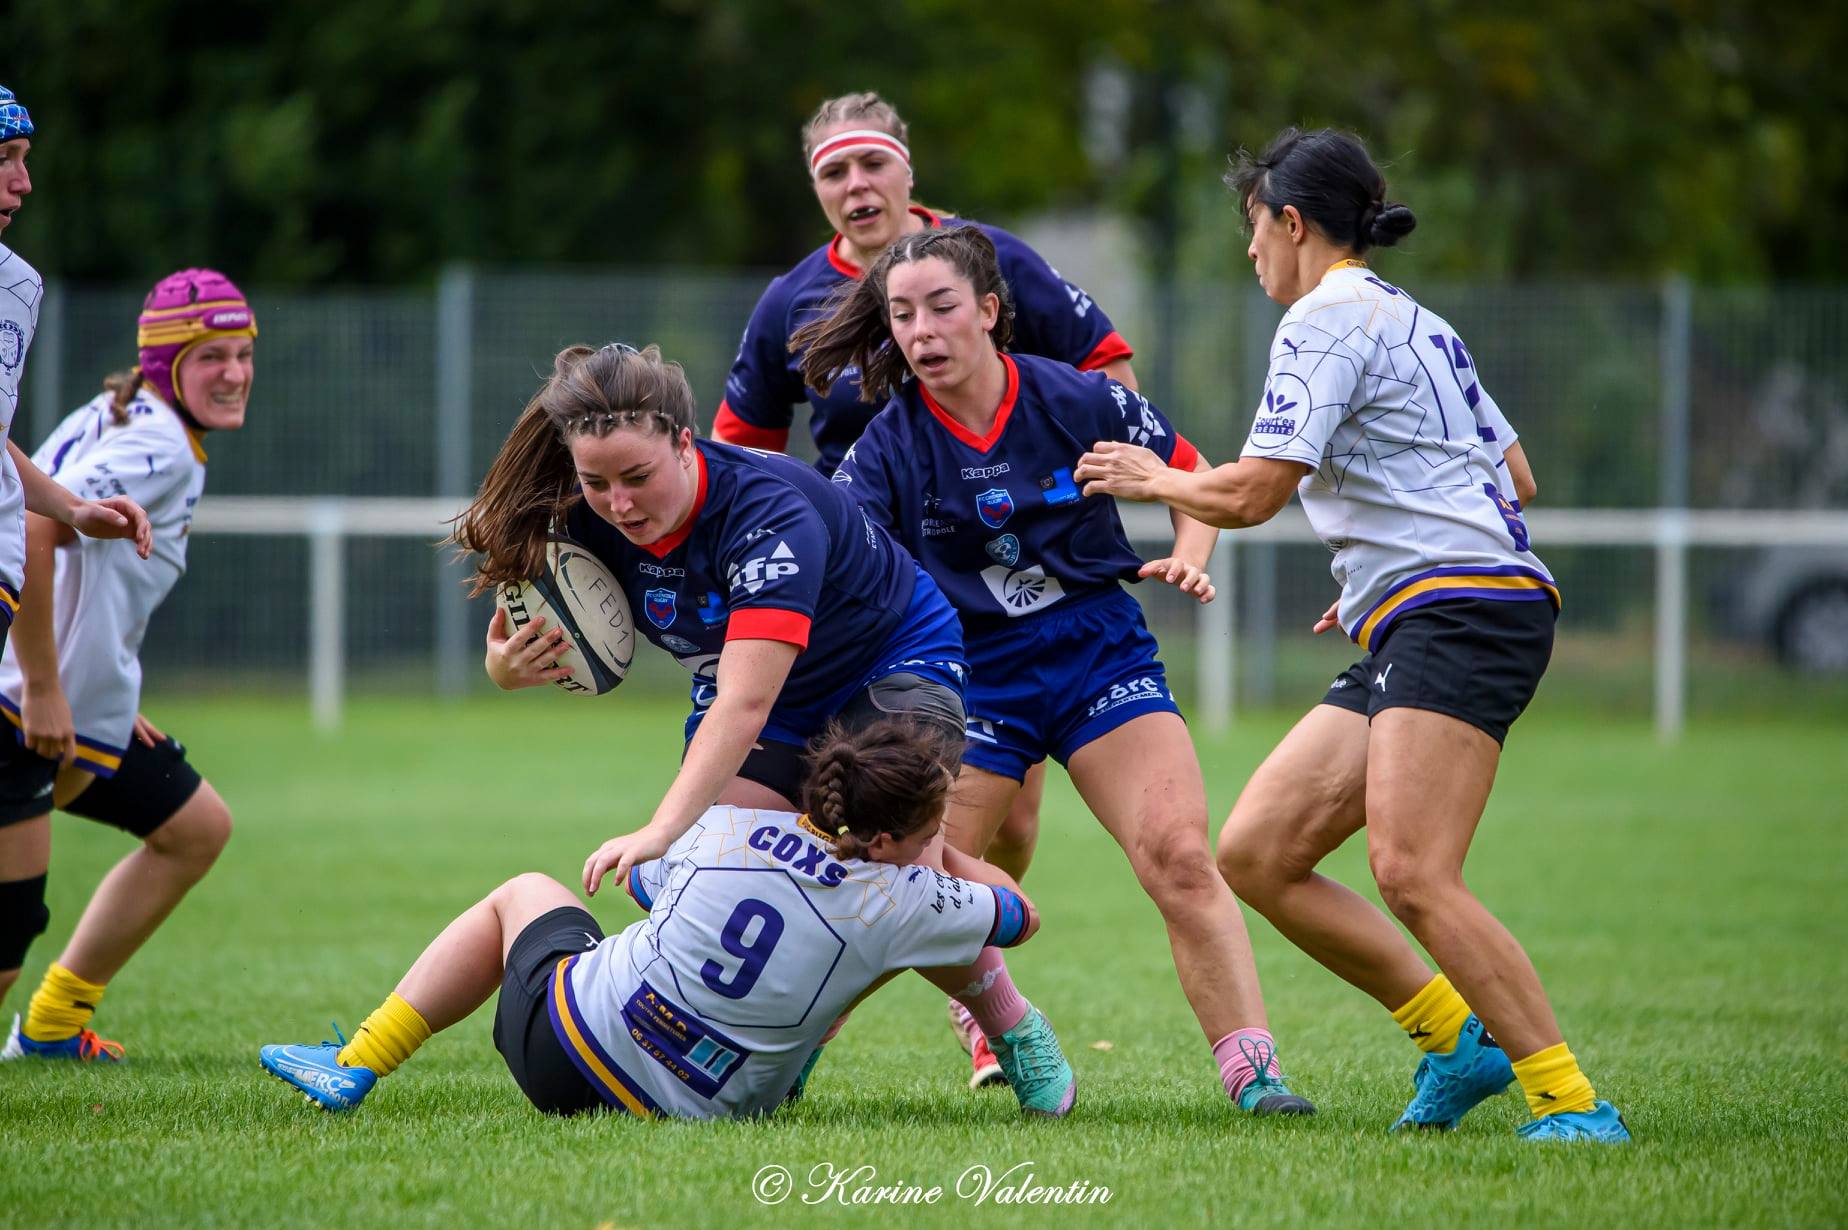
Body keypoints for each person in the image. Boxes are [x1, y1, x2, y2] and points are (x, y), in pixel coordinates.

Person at [1073, 127, 1629, 1143]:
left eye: (1253, 231)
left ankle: (1572, 1103)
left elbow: (1252, 493)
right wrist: (1383, 563)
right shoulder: (1417, 320)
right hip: (1431, 603)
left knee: (1413, 869)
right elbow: (1515, 478)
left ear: (1293, 223)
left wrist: (1154, 478)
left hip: (1460, 609)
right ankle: (1458, 1045)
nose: (1250, 256)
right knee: (1259, 851)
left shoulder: (1324, 319)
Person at [451, 342, 1075, 1113]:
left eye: (638, 478)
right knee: (736, 877)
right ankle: (805, 1030)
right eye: (596, 481)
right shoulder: (583, 518)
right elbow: (530, 644)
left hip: (889, 662)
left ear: (686, 442)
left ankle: (1005, 1025)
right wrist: (507, 672)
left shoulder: (766, 512)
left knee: (888, 860)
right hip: (761, 686)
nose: (619, 503)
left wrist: (661, 827)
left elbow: (745, 708)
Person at [797, 225, 1315, 1117]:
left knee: (1181, 857)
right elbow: (840, 569)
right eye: (902, 315)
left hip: (1096, 652)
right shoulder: (885, 448)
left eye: (942, 307)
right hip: (970, 678)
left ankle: (1256, 1076)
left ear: (992, 312)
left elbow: (1191, 474)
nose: (921, 331)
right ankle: (791, 1056)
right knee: (893, 878)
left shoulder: (1076, 398)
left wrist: (1192, 550)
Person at [715, 91, 1135, 1086]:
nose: (856, 187)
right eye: (833, 173)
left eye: (872, 164)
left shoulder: (989, 258)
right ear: (816, 188)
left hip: (1005, 585)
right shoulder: (789, 302)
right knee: (874, 827)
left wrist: (1055, 479)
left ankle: (986, 1002)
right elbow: (739, 454)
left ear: (906, 166)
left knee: (1003, 829)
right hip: (872, 596)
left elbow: (1105, 366)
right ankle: (811, 1040)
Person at [259, 719, 1049, 1119]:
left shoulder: (723, 827)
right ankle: (1020, 1044)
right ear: (887, 839)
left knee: (525, 892)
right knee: (883, 948)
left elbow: (641, 890)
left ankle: (360, 1059)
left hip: (561, 1054)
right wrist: (936, 856)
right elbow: (1019, 914)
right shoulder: (904, 896)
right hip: (712, 1104)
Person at [0, 269, 253, 1062]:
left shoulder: (122, 415)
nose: (236, 373)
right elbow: (34, 532)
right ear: (163, 363)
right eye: (212, 355)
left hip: (76, 701)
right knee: (4, 937)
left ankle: (51, 1027)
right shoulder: (158, 443)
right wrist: (45, 683)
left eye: (245, 353)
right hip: (30, 707)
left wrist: (103, 684)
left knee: (195, 827)